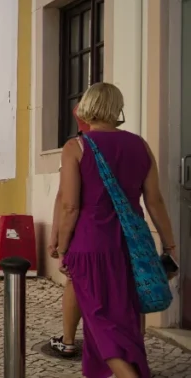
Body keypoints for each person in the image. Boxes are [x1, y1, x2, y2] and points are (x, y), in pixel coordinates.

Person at [56, 83, 178, 378]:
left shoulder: (77, 146)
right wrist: (170, 245)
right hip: (132, 247)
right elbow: (155, 200)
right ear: (117, 108)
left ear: (86, 106)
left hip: (91, 246)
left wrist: (62, 248)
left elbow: (70, 206)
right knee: (126, 318)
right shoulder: (140, 145)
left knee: (100, 324)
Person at [47, 106, 92, 358]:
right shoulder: (129, 143)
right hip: (120, 231)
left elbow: (66, 200)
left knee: (75, 280)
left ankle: (68, 340)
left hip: (85, 231)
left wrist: (58, 241)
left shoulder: (77, 146)